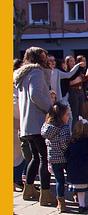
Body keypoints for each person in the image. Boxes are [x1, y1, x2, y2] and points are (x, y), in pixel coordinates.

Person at [13, 46, 55, 206]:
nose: (46, 59)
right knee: (44, 158)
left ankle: (29, 189)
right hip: (37, 122)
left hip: (27, 124)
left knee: (35, 158)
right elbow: (36, 95)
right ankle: (45, 193)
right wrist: (51, 109)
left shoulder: (23, 74)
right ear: (37, 58)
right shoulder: (36, 72)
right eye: (44, 56)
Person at [41, 103, 72, 213]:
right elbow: (64, 144)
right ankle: (77, 195)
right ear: (61, 116)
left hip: (53, 159)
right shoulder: (63, 128)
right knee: (71, 178)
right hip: (64, 158)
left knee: (59, 181)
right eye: (67, 115)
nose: (68, 117)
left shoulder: (46, 128)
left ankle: (61, 203)